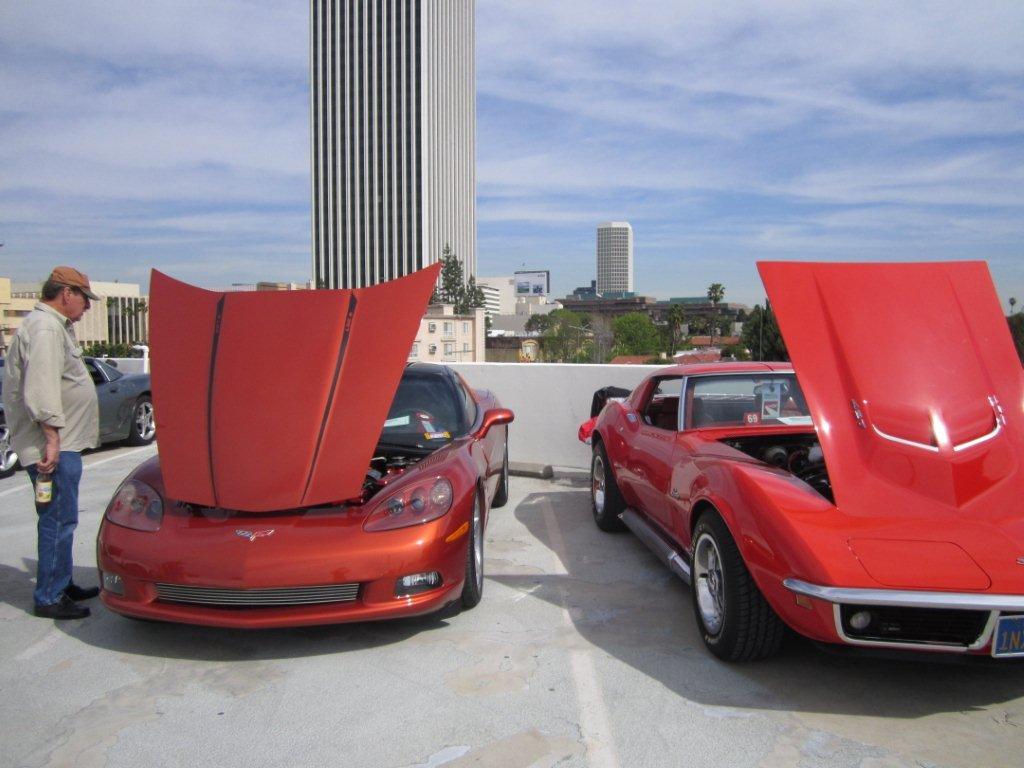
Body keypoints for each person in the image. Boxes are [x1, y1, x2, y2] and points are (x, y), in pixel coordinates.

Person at [3, 266, 102, 619]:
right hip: (54, 447)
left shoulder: (52, 327)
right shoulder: (46, 329)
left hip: (63, 442)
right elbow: (41, 391)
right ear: (66, 294)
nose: (86, 308)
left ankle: (61, 581)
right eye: (84, 300)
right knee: (57, 519)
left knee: (62, 518)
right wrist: (52, 442)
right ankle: (49, 595)